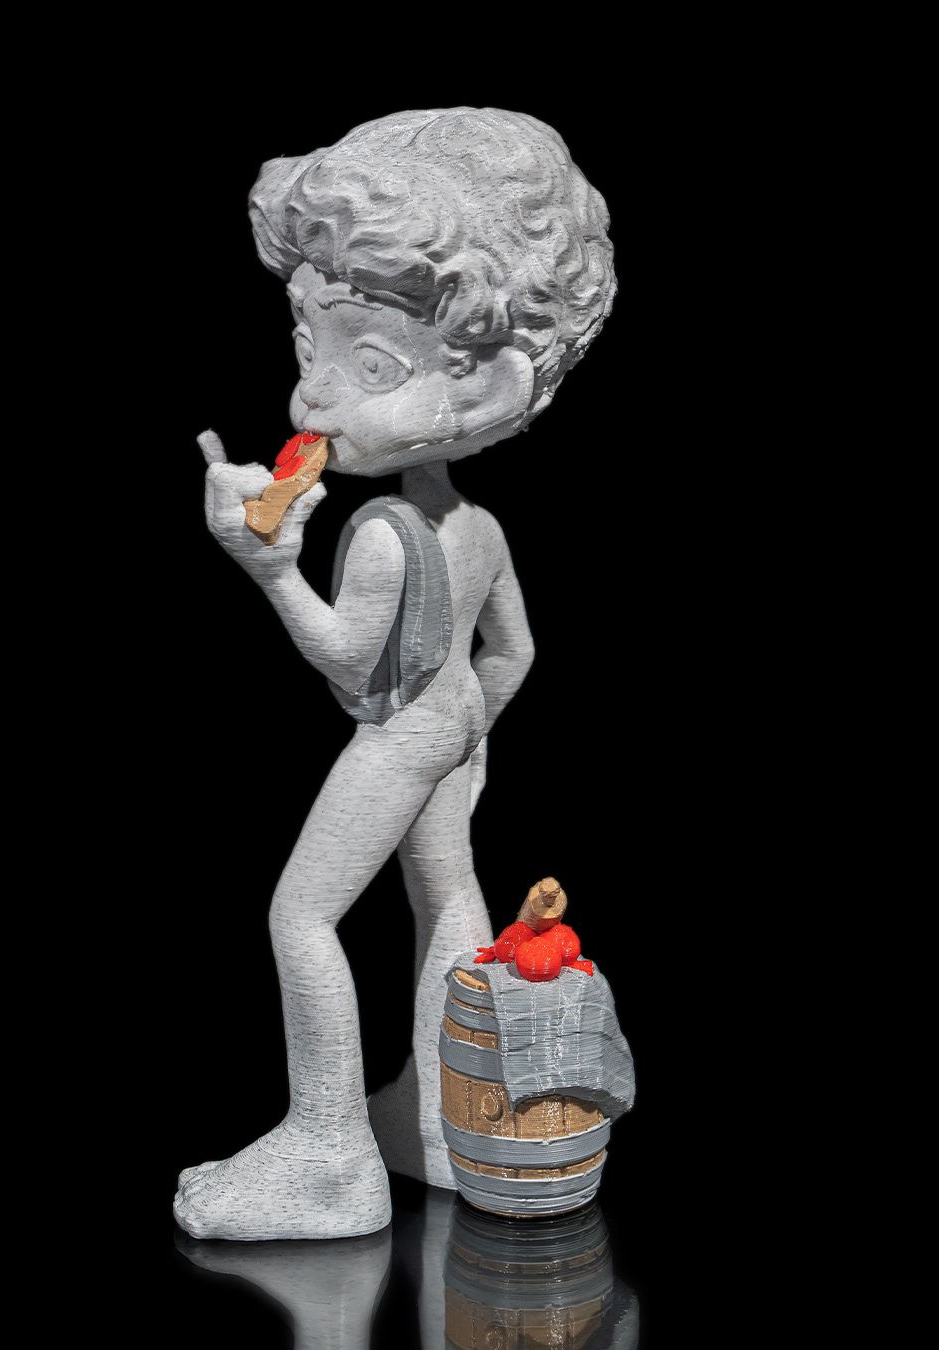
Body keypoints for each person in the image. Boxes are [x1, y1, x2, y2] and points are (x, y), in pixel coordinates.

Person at [173, 106, 616, 1240]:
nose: (309, 400)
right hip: (455, 731)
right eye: (306, 351)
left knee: (301, 915)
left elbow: (341, 662)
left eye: (367, 364)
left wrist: (270, 570)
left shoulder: (381, 535)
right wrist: (472, 734)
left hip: (402, 737)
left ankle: (329, 1154)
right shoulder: (481, 530)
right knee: (449, 898)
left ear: (491, 390)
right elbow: (515, 651)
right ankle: (439, 1121)